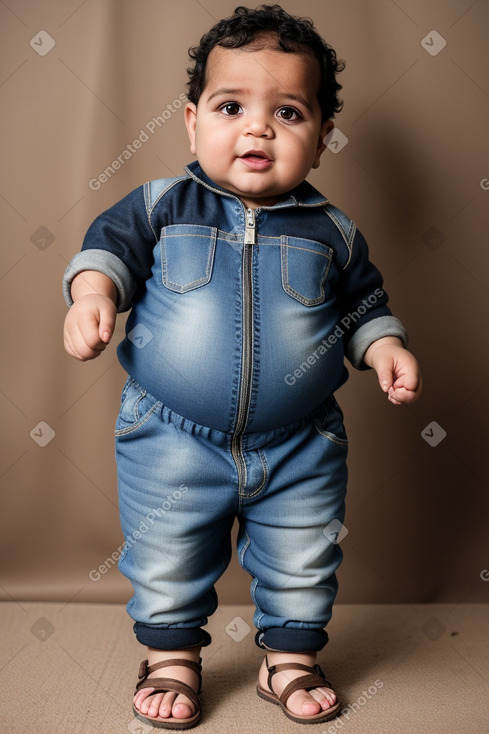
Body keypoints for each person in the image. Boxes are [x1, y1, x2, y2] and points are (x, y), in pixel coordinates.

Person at [63, 4, 421, 728]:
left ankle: (288, 659)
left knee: (302, 553)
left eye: (288, 113)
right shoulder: (161, 206)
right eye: (232, 107)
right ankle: (170, 658)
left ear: (321, 139)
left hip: (300, 441)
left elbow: (362, 305)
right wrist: (91, 295)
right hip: (170, 437)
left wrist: (384, 347)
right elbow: (105, 253)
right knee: (165, 554)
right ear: (193, 122)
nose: (257, 128)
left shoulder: (331, 231)